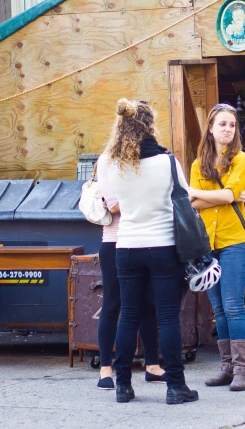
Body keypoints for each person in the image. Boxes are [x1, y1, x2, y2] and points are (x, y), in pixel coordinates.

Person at [103, 98, 198, 404]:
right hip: (163, 245)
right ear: (150, 126)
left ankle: (123, 386)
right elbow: (184, 197)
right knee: (168, 316)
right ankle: (175, 386)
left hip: (127, 246)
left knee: (128, 315)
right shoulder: (168, 162)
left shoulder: (115, 165)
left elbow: (116, 203)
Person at [188, 103, 245, 392]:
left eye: (232, 125)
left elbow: (228, 194)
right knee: (218, 308)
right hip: (206, 244)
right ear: (211, 129)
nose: (228, 129)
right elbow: (194, 204)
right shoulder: (197, 164)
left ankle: (242, 370)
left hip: (234, 242)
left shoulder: (241, 159)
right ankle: (226, 367)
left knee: (233, 306)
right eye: (222, 124)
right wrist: (226, 196)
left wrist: (201, 192)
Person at [94, 153, 166, 390]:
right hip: (115, 240)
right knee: (113, 303)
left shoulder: (147, 158)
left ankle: (153, 366)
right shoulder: (107, 159)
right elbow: (113, 205)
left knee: (147, 304)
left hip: (144, 238)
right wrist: (151, 205)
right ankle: (106, 369)